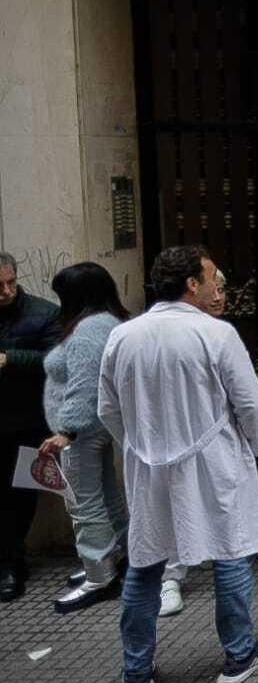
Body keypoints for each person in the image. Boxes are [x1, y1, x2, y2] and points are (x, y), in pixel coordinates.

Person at [98, 246, 258, 683]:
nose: (219, 286)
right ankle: (240, 654)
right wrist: (249, 447)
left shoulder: (124, 336)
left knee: (146, 562)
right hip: (215, 459)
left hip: (147, 466)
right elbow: (252, 404)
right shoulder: (215, 334)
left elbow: (107, 410)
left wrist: (141, 446)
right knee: (230, 551)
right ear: (191, 284)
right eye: (212, 278)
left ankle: (136, 671)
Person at [36, 263, 130, 613]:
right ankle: (121, 560)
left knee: (82, 503)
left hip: (81, 433)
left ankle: (98, 575)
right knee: (106, 495)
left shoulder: (89, 328)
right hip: (94, 429)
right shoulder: (107, 322)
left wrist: (66, 431)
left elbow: (84, 385)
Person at [0, 251, 64, 603]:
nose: (7, 290)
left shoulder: (41, 312)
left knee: (19, 496)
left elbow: (55, 359)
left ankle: (12, 562)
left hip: (25, 418)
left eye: (11, 282)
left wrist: (10, 359)